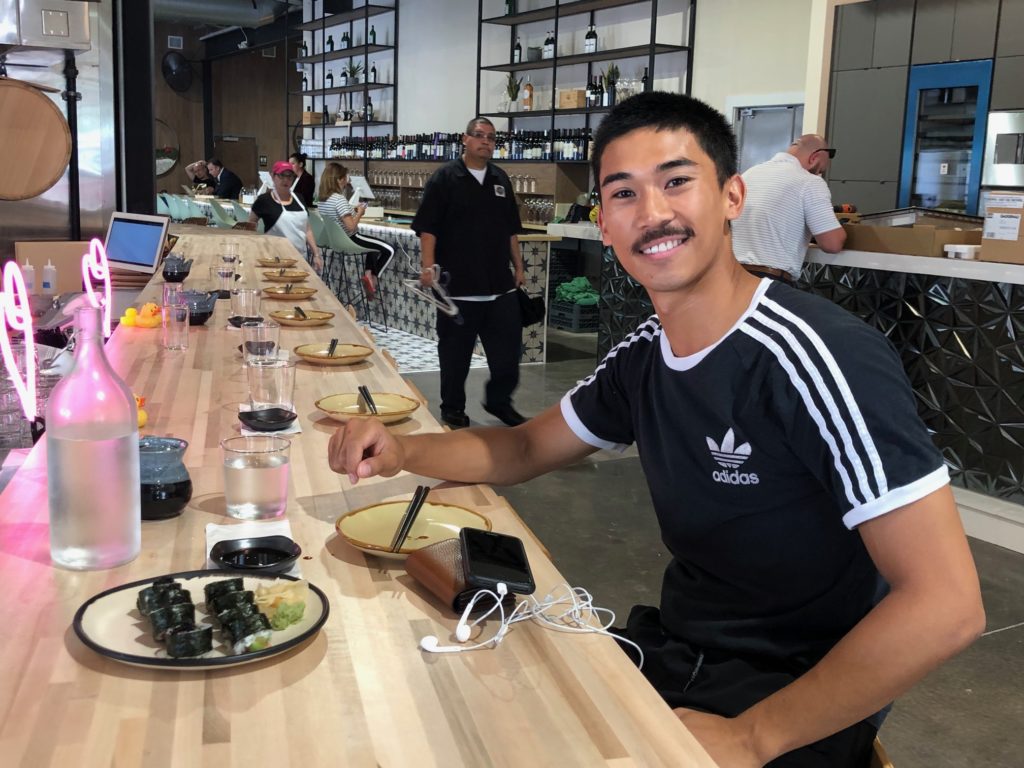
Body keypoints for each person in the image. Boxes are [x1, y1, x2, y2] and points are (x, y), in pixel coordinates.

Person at [327, 92, 985, 767]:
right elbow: (524, 446)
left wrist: (751, 736)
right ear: (604, 224)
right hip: (682, 650)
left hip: (793, 691)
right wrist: (402, 448)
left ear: (732, 196)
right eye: (623, 194)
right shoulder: (646, 352)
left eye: (676, 181)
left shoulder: (816, 355)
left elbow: (947, 603)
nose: (653, 213)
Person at [411, 116, 528, 429]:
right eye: (479, 135)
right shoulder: (445, 179)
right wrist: (428, 266)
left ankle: (499, 401)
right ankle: (452, 409)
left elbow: (511, 231)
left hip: (499, 286)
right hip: (457, 287)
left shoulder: (501, 179)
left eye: (491, 137)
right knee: (455, 357)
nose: (486, 141)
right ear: (465, 139)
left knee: (507, 356)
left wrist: (518, 265)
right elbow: (428, 229)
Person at [731, 134, 847, 284]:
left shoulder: (749, 174)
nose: (818, 174)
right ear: (814, 158)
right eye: (819, 170)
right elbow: (832, 244)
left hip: (730, 276)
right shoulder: (809, 182)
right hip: (767, 281)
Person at [317, 162, 395, 300]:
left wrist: (352, 211)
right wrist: (360, 212)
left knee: (372, 248)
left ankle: (368, 273)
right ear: (338, 179)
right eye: (345, 179)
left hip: (336, 242)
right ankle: (373, 280)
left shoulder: (322, 200)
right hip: (351, 239)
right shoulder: (339, 199)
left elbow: (337, 218)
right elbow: (351, 227)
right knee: (389, 249)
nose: (347, 182)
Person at [248, 160, 321, 271]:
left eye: (290, 176)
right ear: (273, 176)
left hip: (300, 259)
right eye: (282, 176)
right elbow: (250, 225)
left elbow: (307, 229)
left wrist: (316, 254)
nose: (286, 180)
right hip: (274, 260)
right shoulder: (264, 200)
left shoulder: (299, 199)